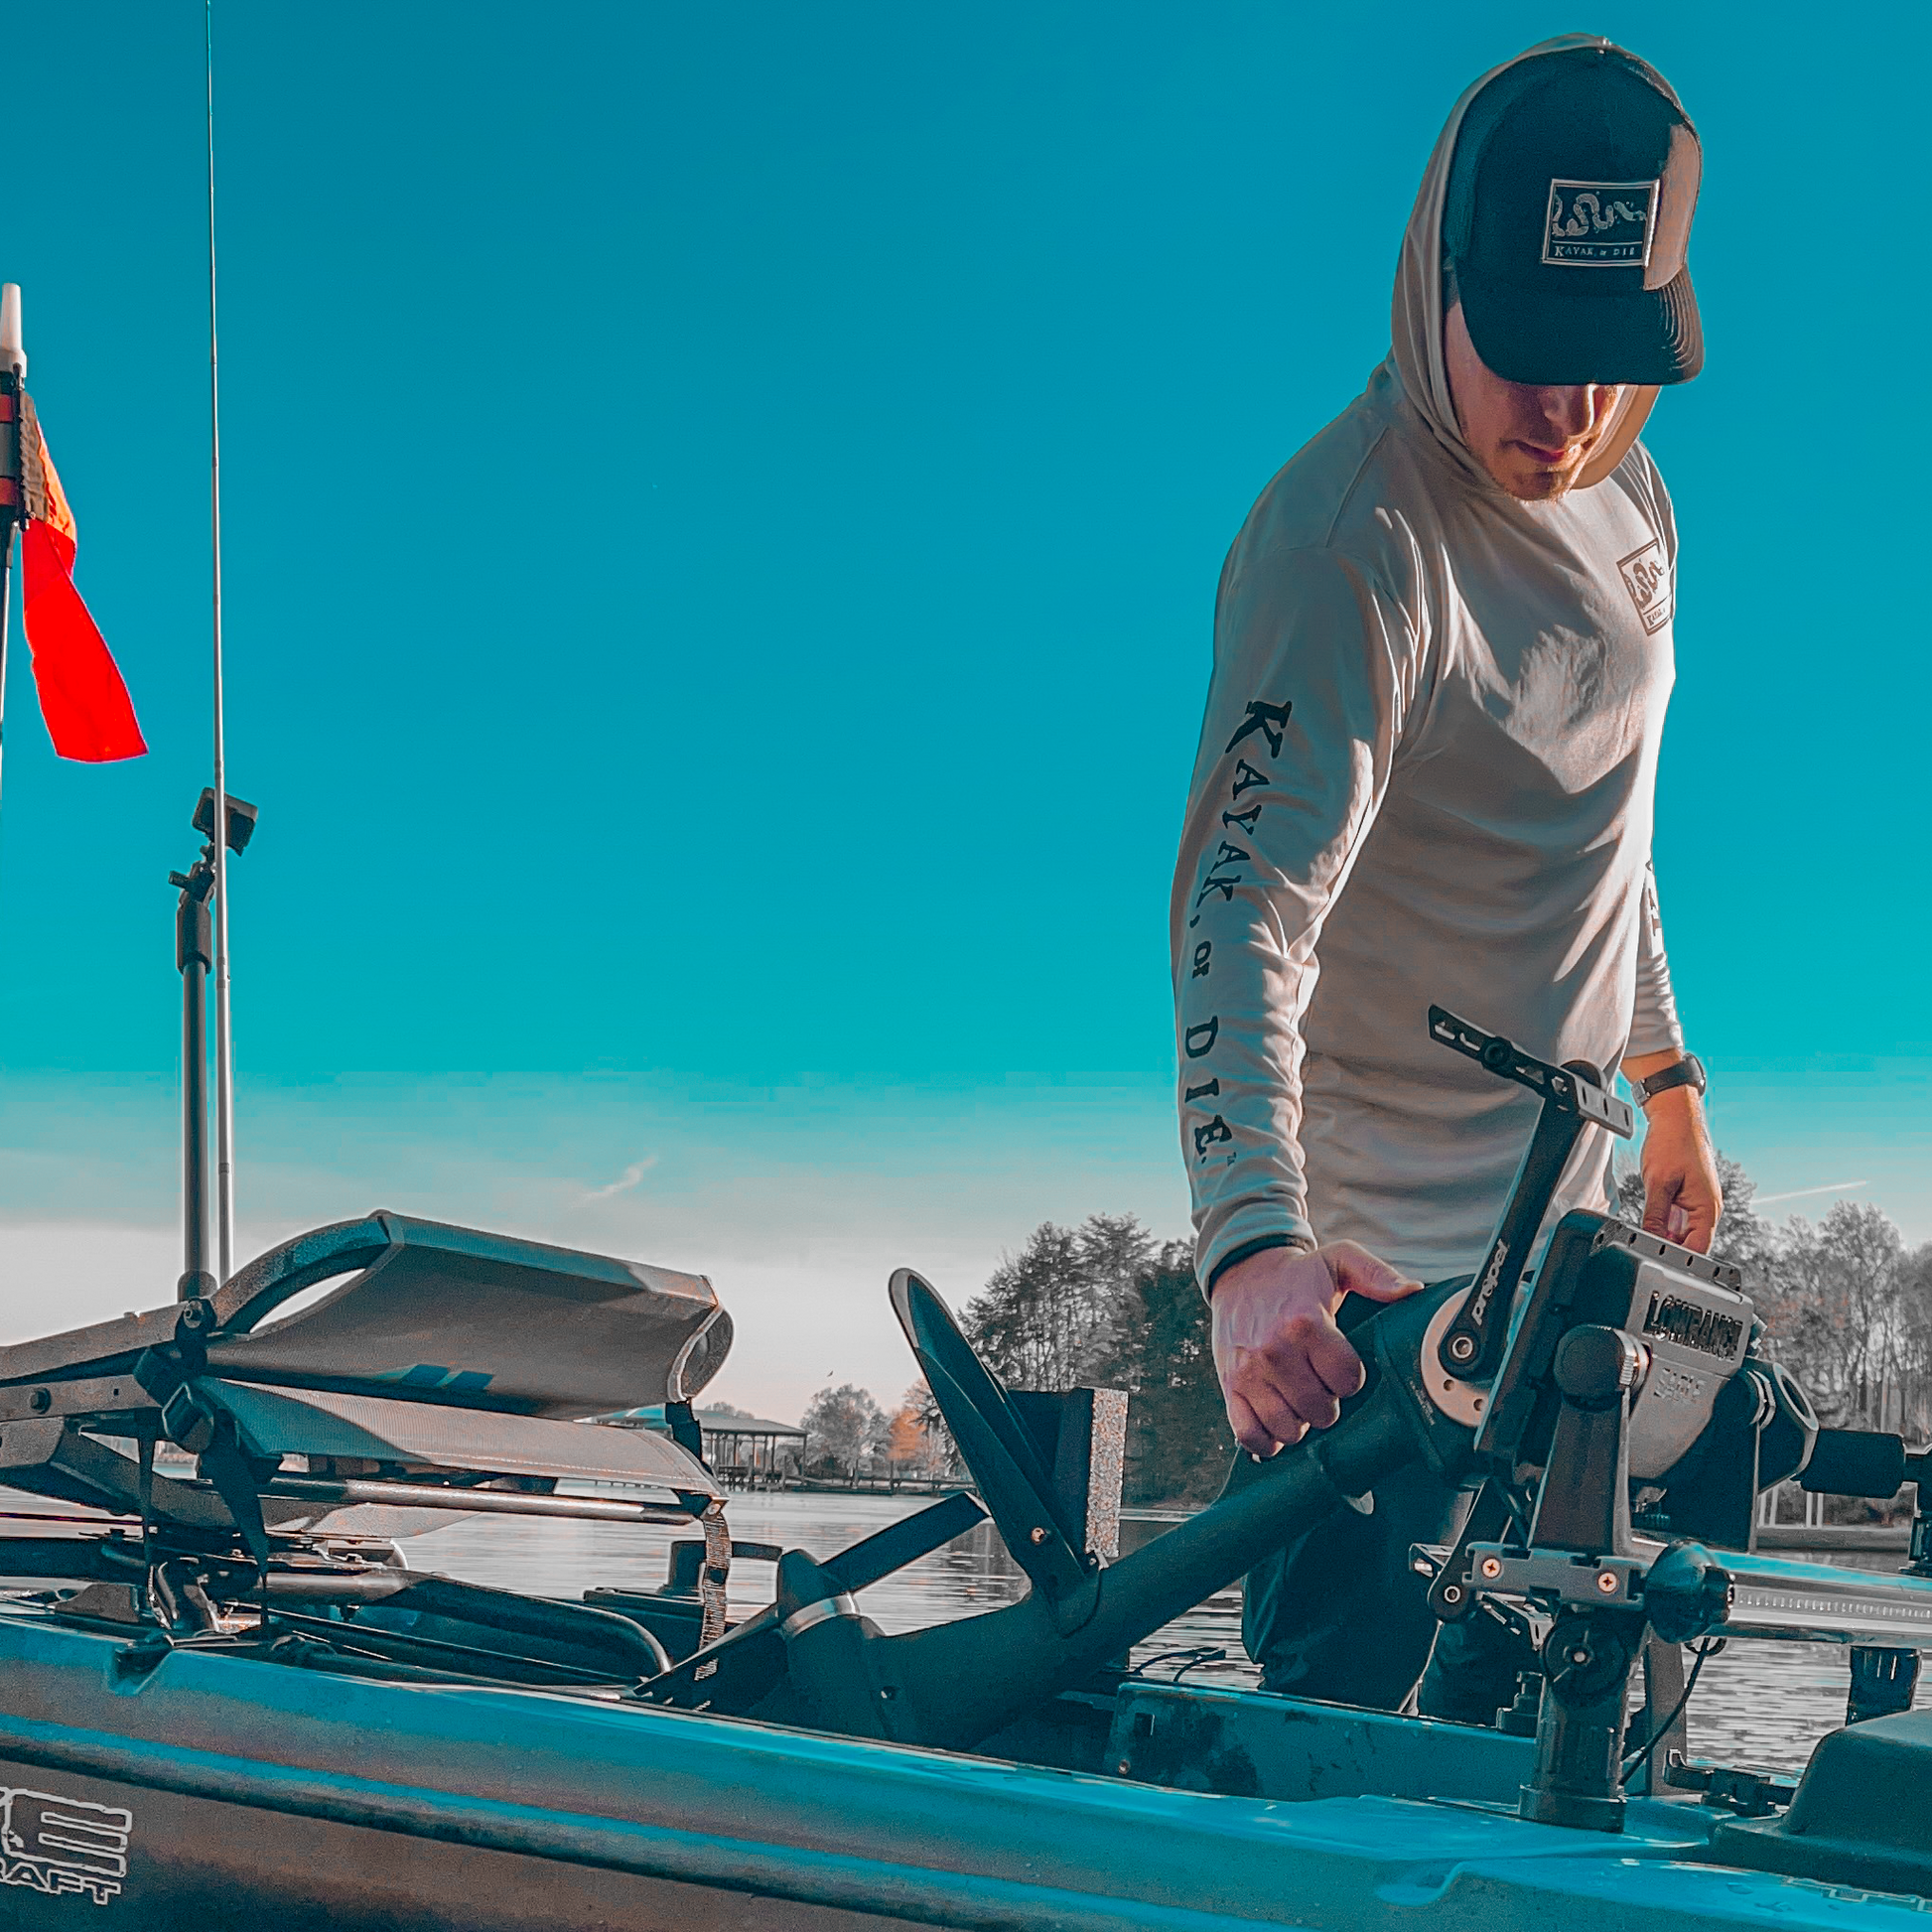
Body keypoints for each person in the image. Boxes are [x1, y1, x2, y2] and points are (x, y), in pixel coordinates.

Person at [1170, 37, 1724, 1717]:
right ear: (1436, 285)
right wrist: (1249, 1249)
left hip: (1568, 1292)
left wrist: (1667, 1076)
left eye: (1609, 360)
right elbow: (1237, 908)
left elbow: (1604, 825)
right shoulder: (1347, 547)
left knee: (1579, 1758)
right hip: (1370, 1328)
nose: (1568, 413)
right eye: (1531, 353)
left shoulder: (1632, 498)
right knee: (1341, 1776)